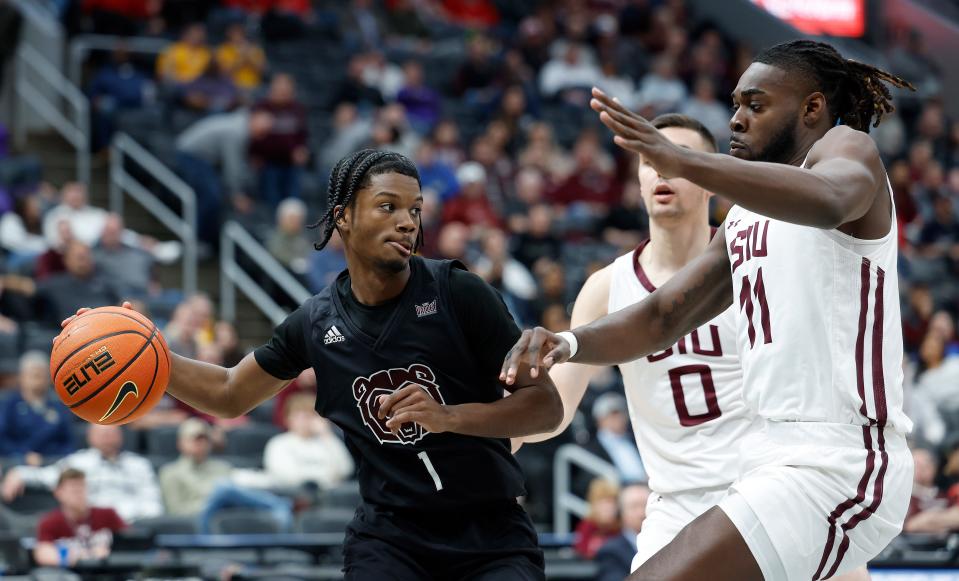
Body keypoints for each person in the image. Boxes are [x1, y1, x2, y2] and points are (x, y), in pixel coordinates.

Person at [502, 39, 916, 580]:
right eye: (735, 106)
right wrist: (571, 343)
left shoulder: (846, 150)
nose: (737, 120)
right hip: (761, 463)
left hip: (839, 457)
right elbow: (662, 317)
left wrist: (687, 161)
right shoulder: (745, 217)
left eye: (756, 104)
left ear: (812, 108)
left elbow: (831, 199)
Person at [61, 149, 562, 580]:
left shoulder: (460, 292)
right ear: (342, 216)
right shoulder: (315, 321)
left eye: (414, 209)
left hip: (491, 530)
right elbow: (231, 392)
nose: (408, 221)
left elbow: (544, 407)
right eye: (387, 207)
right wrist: (149, 357)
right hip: (392, 537)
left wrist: (450, 416)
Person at [513, 114, 756, 571]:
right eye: (649, 161)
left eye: (677, 158)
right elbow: (557, 410)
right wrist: (491, 432)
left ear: (711, 177)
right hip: (676, 503)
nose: (661, 170)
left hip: (764, 488)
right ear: (639, 181)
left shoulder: (754, 266)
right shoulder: (606, 288)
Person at [2, 424, 163, 523]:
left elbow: (153, 502)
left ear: (121, 436)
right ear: (90, 437)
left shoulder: (139, 464)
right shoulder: (78, 461)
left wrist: (142, 524)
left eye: (111, 433)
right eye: (102, 433)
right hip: (92, 526)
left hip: (133, 526)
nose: (107, 438)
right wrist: (18, 473)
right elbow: (46, 476)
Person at [33, 469, 126, 568]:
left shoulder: (107, 514)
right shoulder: (50, 522)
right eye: (73, 490)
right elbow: (43, 554)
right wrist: (79, 557)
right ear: (58, 493)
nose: (79, 494)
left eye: (82, 488)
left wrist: (111, 554)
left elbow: (131, 544)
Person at [0, 351, 75, 464]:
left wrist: (53, 459)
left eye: (42, 375)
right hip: (16, 462)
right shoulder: (10, 404)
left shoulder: (58, 405)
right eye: (33, 375)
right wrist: (23, 455)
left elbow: (67, 441)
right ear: (21, 377)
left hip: (53, 464)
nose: (38, 380)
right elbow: (3, 439)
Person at [596, 483, 651, 581]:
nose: (641, 513)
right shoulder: (610, 552)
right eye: (634, 507)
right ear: (621, 513)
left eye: (645, 505)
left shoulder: (667, 542)